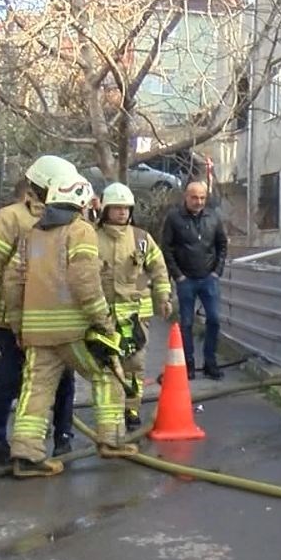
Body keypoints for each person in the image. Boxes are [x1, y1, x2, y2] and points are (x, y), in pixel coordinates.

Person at [2, 170, 132, 478]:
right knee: (107, 374)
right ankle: (111, 440)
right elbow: (84, 280)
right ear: (79, 200)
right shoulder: (80, 231)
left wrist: (19, 325)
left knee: (35, 390)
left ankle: (26, 455)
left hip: (36, 332)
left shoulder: (31, 234)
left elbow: (12, 281)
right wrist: (103, 320)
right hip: (73, 330)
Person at [0, 159, 78, 466]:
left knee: (63, 376)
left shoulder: (63, 217)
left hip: (51, 314)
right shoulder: (12, 217)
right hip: (10, 315)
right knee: (10, 375)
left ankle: (62, 437)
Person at [96, 183, 173, 430]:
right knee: (106, 367)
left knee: (135, 366)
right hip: (103, 317)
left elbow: (159, 270)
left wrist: (163, 297)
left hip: (136, 316)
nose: (121, 213)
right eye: (116, 208)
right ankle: (109, 415)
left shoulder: (141, 239)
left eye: (125, 208)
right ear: (105, 209)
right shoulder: (90, 238)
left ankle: (132, 407)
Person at [159, 181, 226, 379]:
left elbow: (222, 245)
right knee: (186, 323)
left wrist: (217, 271)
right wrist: (177, 275)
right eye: (194, 197)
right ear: (186, 197)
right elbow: (167, 248)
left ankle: (210, 363)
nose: (198, 202)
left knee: (214, 320)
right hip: (186, 279)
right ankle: (187, 364)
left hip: (209, 278)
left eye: (202, 198)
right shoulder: (174, 218)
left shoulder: (213, 217)